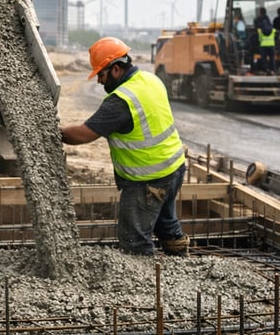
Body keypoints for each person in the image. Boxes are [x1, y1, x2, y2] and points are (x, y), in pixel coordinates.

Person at [60, 37, 189, 257]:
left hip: (148, 180)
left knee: (134, 240)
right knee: (165, 222)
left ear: (116, 69)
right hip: (174, 167)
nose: (100, 81)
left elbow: (84, 134)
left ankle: (144, 282)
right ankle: (181, 263)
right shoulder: (150, 79)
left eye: (101, 74)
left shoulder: (121, 100)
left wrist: (53, 131)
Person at [253, 7, 276, 73]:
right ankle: (273, 70)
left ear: (260, 12)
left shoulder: (258, 23)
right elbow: (274, 34)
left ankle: (265, 70)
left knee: (264, 59)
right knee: (272, 58)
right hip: (271, 45)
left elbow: (259, 37)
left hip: (263, 45)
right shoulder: (270, 24)